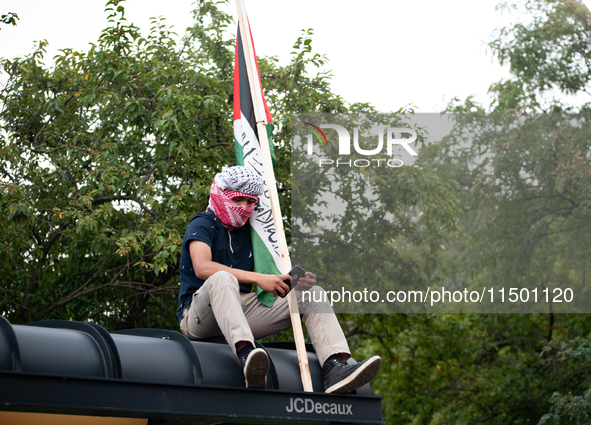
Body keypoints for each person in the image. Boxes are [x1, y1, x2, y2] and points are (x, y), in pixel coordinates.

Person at [177, 166, 381, 392]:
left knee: (311, 293)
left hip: (240, 312)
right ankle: (248, 357)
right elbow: (202, 267)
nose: (245, 207)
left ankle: (335, 367)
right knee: (222, 278)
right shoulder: (204, 222)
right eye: (238, 199)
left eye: (250, 201)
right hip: (198, 315)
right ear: (221, 195)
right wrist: (260, 279)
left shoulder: (253, 231)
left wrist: (293, 280)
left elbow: (272, 269)